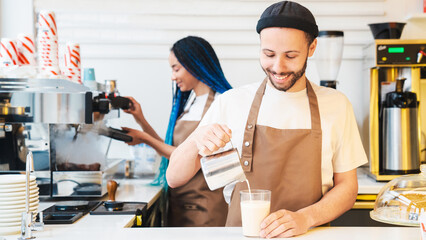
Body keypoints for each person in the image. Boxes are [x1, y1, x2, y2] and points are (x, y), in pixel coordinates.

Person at [166, 1, 368, 238]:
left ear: (312, 48)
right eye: (269, 54)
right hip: (241, 234)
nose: (278, 67)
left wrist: (306, 217)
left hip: (310, 234)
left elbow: (347, 187)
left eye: (291, 56)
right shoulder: (232, 102)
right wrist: (196, 140)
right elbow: (174, 178)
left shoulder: (336, 104)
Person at [122, 36, 232, 227]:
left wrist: (145, 138)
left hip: (204, 207)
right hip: (178, 203)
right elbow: (174, 152)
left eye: (176, 68)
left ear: (194, 65)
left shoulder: (220, 103)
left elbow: (189, 155)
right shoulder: (191, 103)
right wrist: (140, 119)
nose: (173, 76)